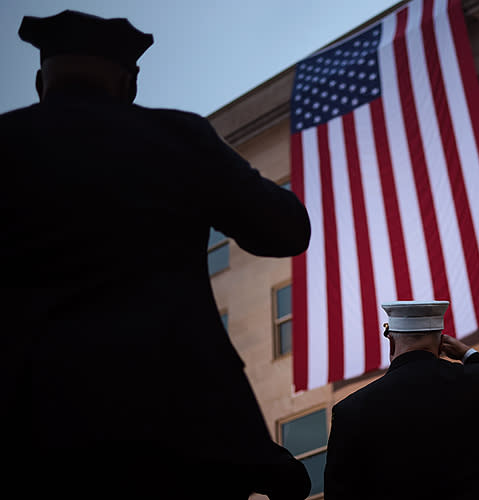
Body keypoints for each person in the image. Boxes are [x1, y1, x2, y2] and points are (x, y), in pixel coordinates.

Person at [0, 10, 311, 500]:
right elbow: (287, 232)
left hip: (25, 427)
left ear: (41, 80)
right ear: (129, 82)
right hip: (176, 426)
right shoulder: (177, 137)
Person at [324, 300, 479, 500]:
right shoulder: (476, 378)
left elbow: (340, 492)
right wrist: (470, 355)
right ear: (442, 342)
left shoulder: (350, 410)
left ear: (391, 341)